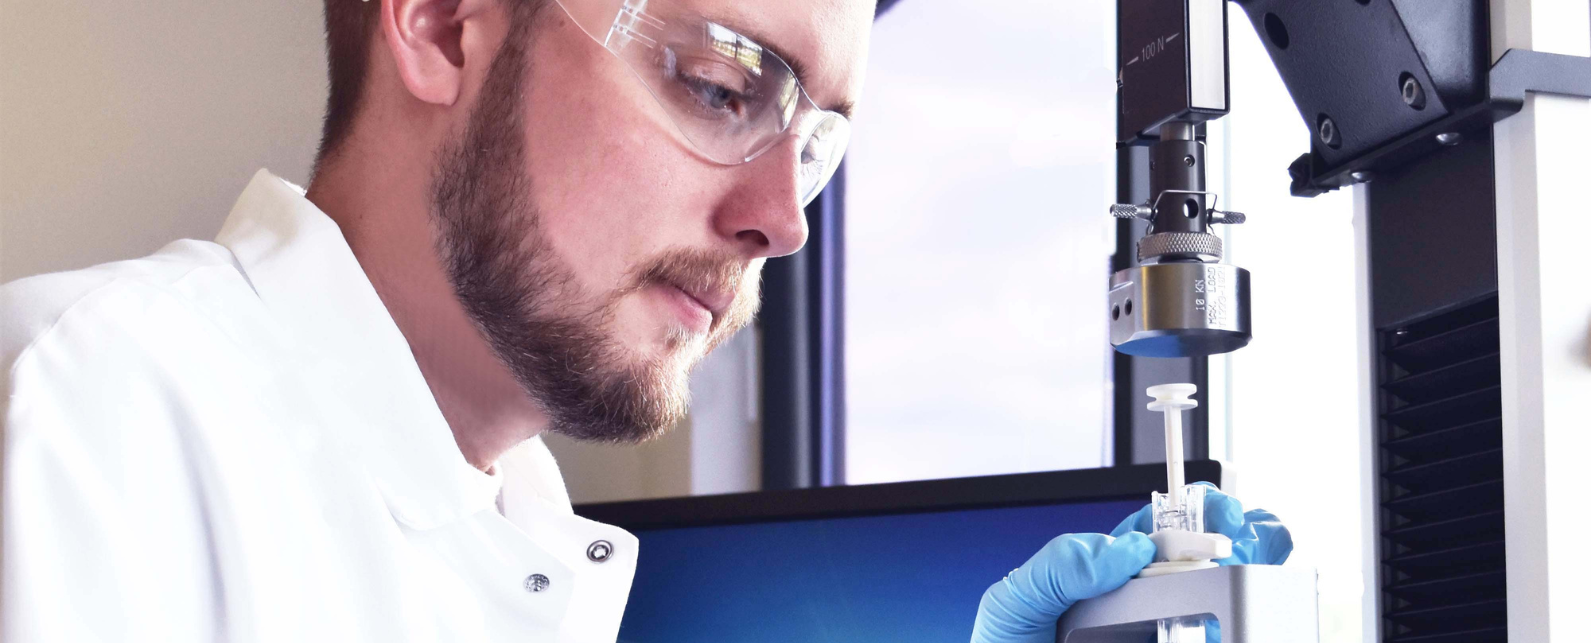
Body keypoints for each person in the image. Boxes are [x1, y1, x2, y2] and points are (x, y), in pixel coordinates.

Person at [0, 0, 1290, 640]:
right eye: (727, 86)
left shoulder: (522, 522)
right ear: (447, 24)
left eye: (819, 144)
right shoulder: (81, 422)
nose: (784, 219)